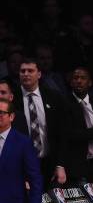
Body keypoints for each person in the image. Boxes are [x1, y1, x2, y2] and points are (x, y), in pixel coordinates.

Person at [13, 58, 67, 187]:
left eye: (30, 71)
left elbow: (62, 133)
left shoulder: (54, 97)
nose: (26, 74)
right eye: (22, 71)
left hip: (49, 162)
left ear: (39, 74)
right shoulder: (12, 99)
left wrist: (60, 164)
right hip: (22, 164)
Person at [65, 67, 93, 182]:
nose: (79, 81)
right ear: (71, 82)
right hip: (74, 165)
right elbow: (68, 133)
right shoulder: (64, 104)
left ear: (90, 82)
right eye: (76, 78)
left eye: (83, 78)